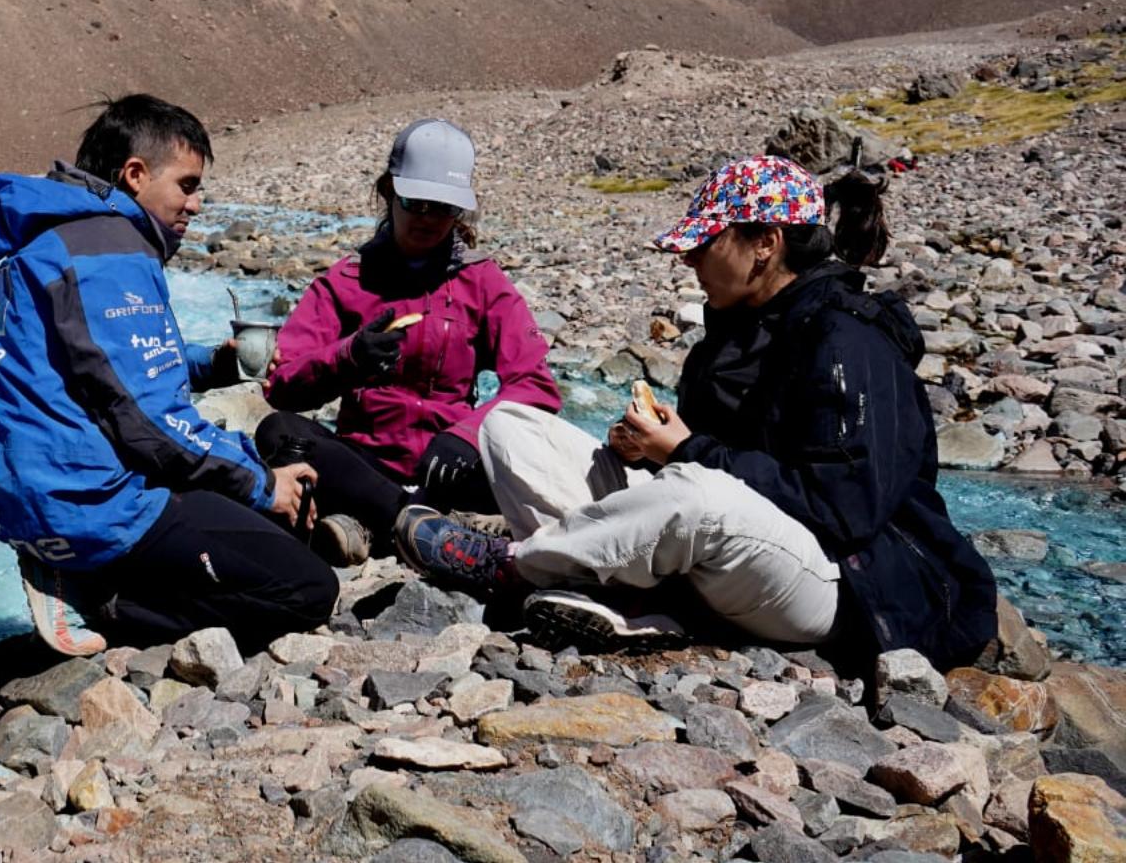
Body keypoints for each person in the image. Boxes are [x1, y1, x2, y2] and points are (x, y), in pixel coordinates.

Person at [395, 155, 998, 671]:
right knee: (510, 428)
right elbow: (703, 463)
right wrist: (643, 447)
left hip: (841, 580)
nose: (690, 260)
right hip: (728, 553)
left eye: (706, 244)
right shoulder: (732, 334)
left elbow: (843, 510)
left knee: (699, 497)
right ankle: (635, 602)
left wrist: (684, 451)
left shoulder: (848, 342)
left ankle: (515, 568)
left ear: (767, 244)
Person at [0, 94, 338, 656]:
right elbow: (152, 421)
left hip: (21, 491)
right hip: (80, 500)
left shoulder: (62, 239)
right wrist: (261, 483)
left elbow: (104, 366)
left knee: (255, 522)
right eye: (187, 185)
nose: (197, 204)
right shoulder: (109, 253)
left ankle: (82, 571)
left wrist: (215, 364)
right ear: (135, 175)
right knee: (307, 589)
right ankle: (102, 598)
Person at [257, 118, 562, 565]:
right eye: (413, 202)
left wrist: (469, 435)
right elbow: (282, 384)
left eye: (442, 207)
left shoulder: (483, 281)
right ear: (387, 193)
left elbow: (536, 385)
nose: (426, 218)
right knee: (277, 431)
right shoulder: (345, 281)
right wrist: (348, 357)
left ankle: (374, 526)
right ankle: (424, 527)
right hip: (366, 461)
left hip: (452, 466)